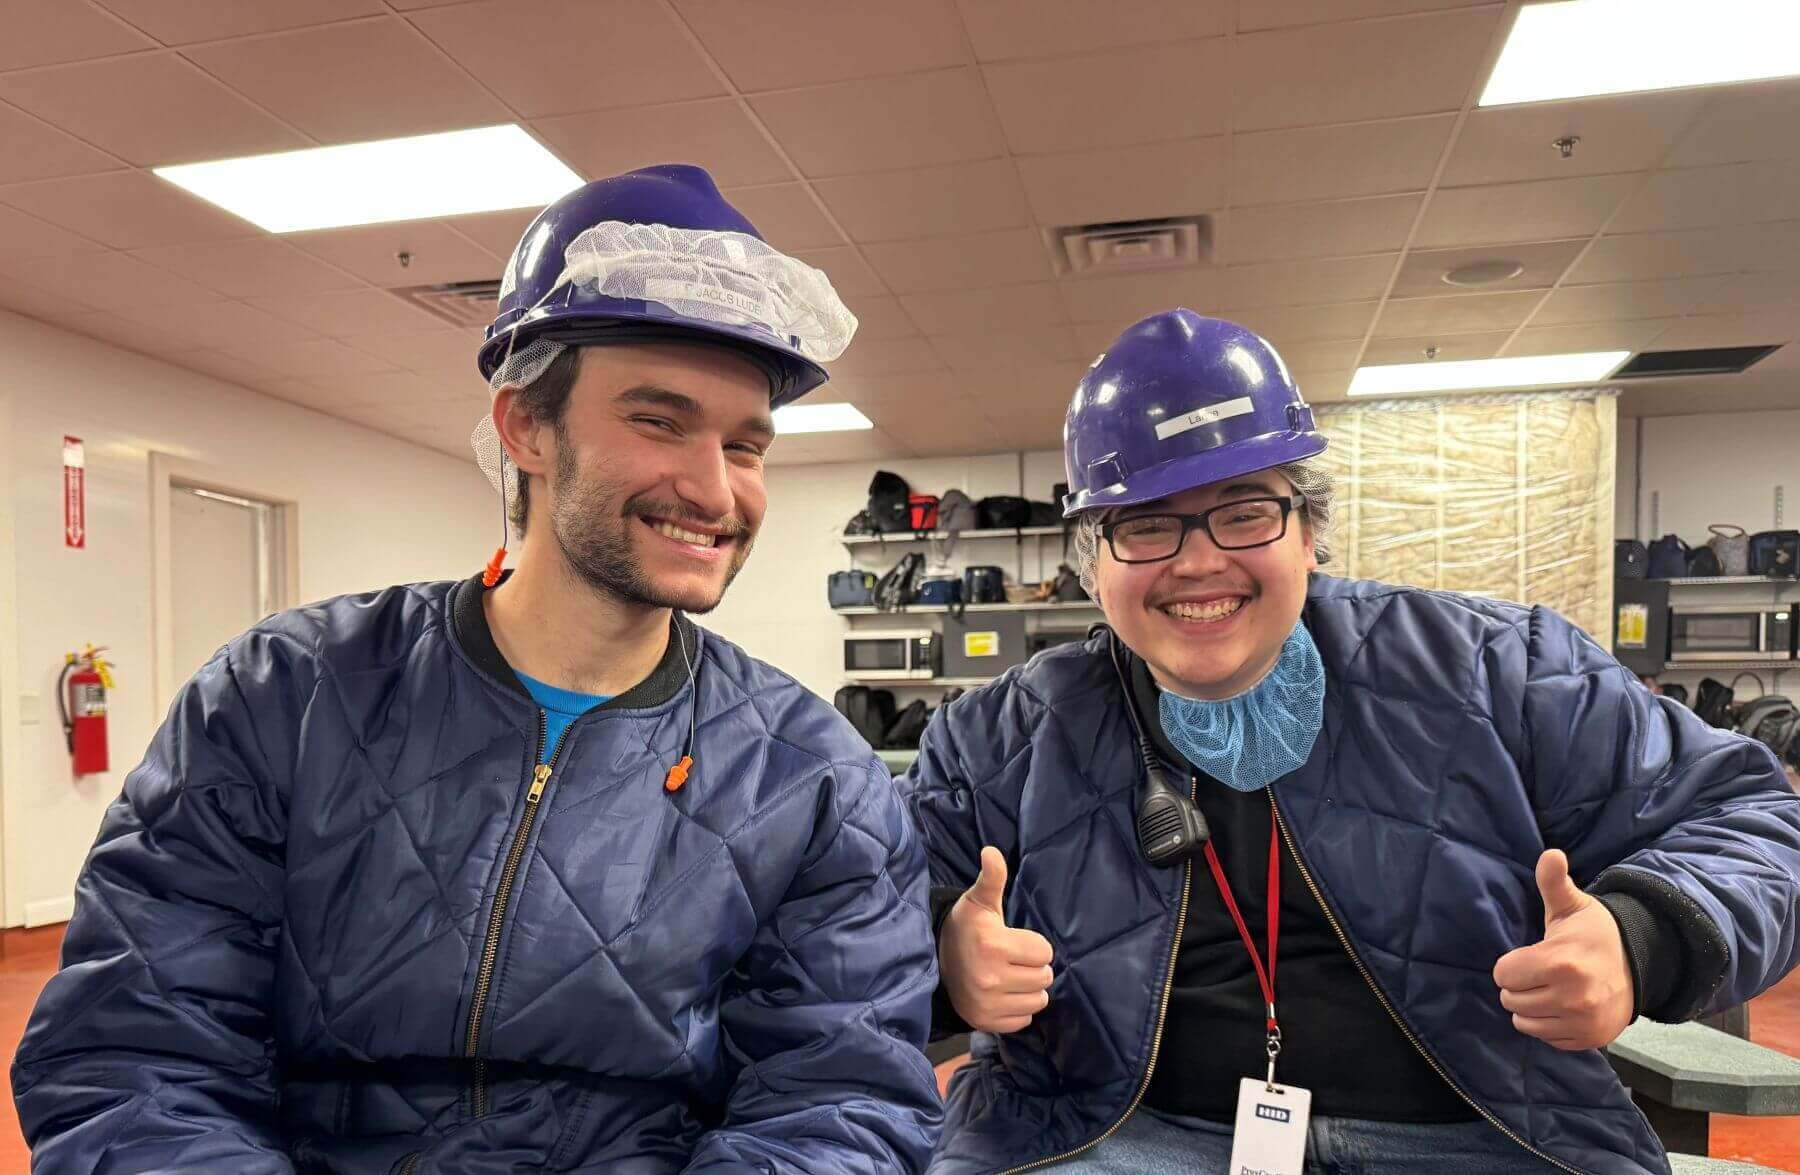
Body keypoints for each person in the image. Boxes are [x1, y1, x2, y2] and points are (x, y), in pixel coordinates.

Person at [15, 165, 942, 1174]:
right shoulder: (287, 695)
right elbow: (138, 1049)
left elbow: (838, 1098)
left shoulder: (812, 780)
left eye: (747, 443)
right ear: (524, 426)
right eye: (661, 420)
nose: (715, 488)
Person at [905, 309, 1800, 1174]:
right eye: (1145, 523)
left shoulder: (1503, 670)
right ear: (1094, 558)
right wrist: (945, 954)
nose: (1197, 560)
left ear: (1309, 527)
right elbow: (858, 906)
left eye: (1245, 509)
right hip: (1109, 1133)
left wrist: (1637, 939)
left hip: (1482, 1132)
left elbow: (1755, 820)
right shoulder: (1000, 735)